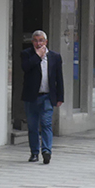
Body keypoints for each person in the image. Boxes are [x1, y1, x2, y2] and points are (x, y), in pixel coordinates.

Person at [20, 30, 64, 164]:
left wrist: (60, 97)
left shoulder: (55, 57)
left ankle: (46, 151)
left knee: (46, 123)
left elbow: (59, 78)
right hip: (31, 96)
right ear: (32, 42)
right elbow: (25, 68)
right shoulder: (26, 54)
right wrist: (38, 56)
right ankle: (34, 152)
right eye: (35, 41)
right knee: (32, 126)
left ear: (46, 42)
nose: (38, 43)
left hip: (47, 96)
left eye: (41, 41)